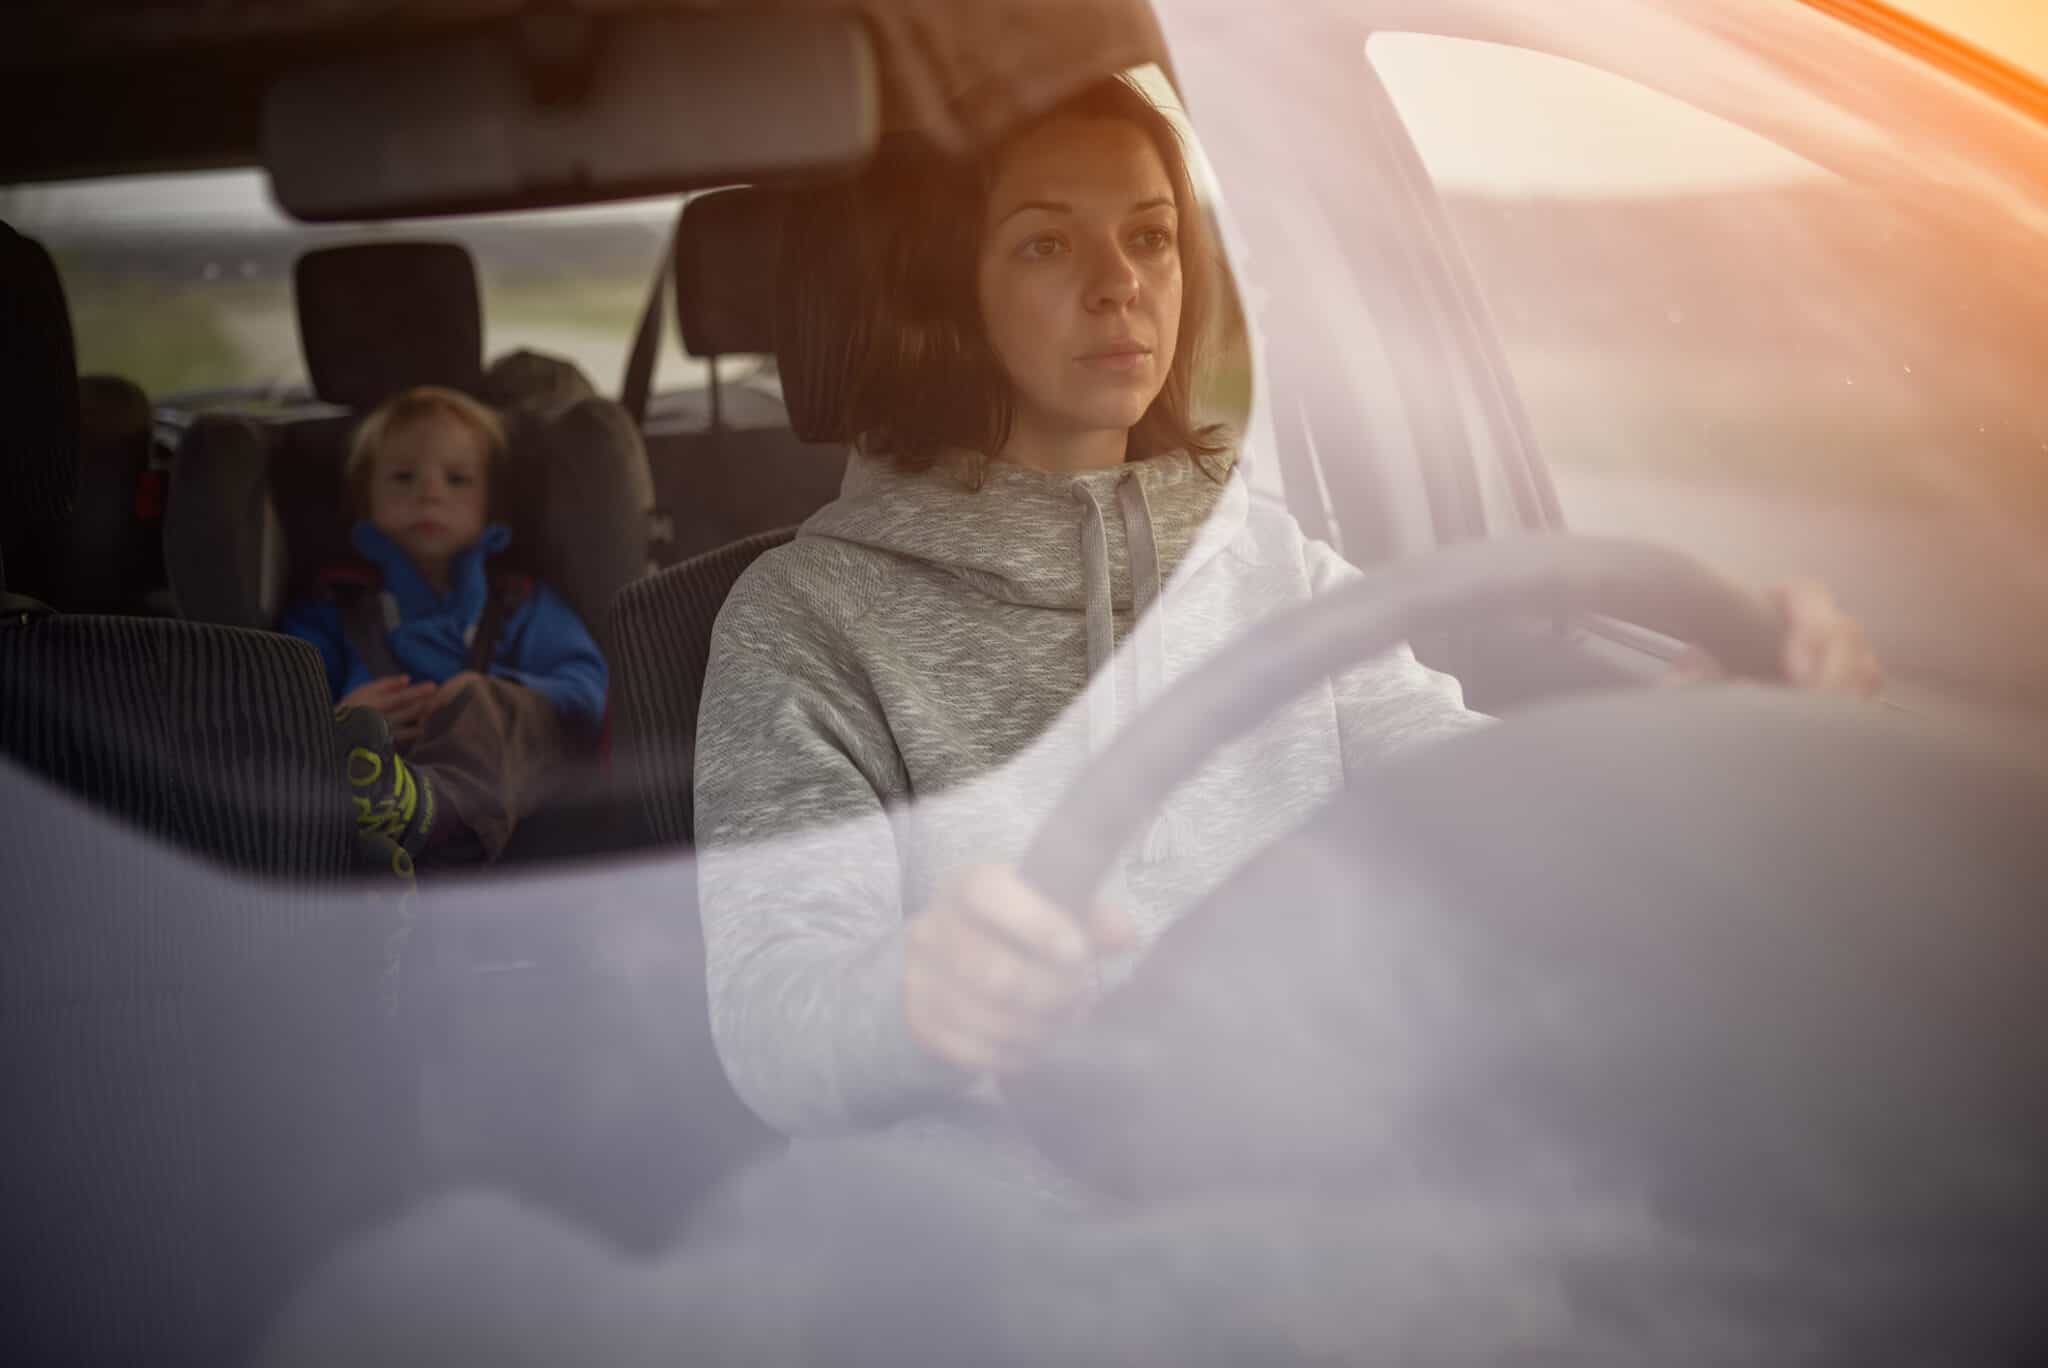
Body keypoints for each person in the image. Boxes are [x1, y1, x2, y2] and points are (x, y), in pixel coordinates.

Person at [692, 77, 1881, 1184]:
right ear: (947, 293)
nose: (1120, 283)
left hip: (1333, 1151)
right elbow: (774, 1015)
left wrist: (1694, 747)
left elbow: (1471, 793)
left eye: (1150, 235)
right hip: (1001, 1212)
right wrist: (914, 997)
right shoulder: (804, 621)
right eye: (1048, 242)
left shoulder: (1264, 559)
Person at [280, 385, 608, 863]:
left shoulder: (519, 602)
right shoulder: (332, 608)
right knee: (350, 736)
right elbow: (283, 710)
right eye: (403, 478)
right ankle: (406, 817)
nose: (430, 494)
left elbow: (586, 690)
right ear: (364, 496)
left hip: (516, 792)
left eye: (456, 479)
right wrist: (338, 720)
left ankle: (428, 811)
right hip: (375, 793)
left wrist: (493, 696)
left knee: (481, 703)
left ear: (490, 504)